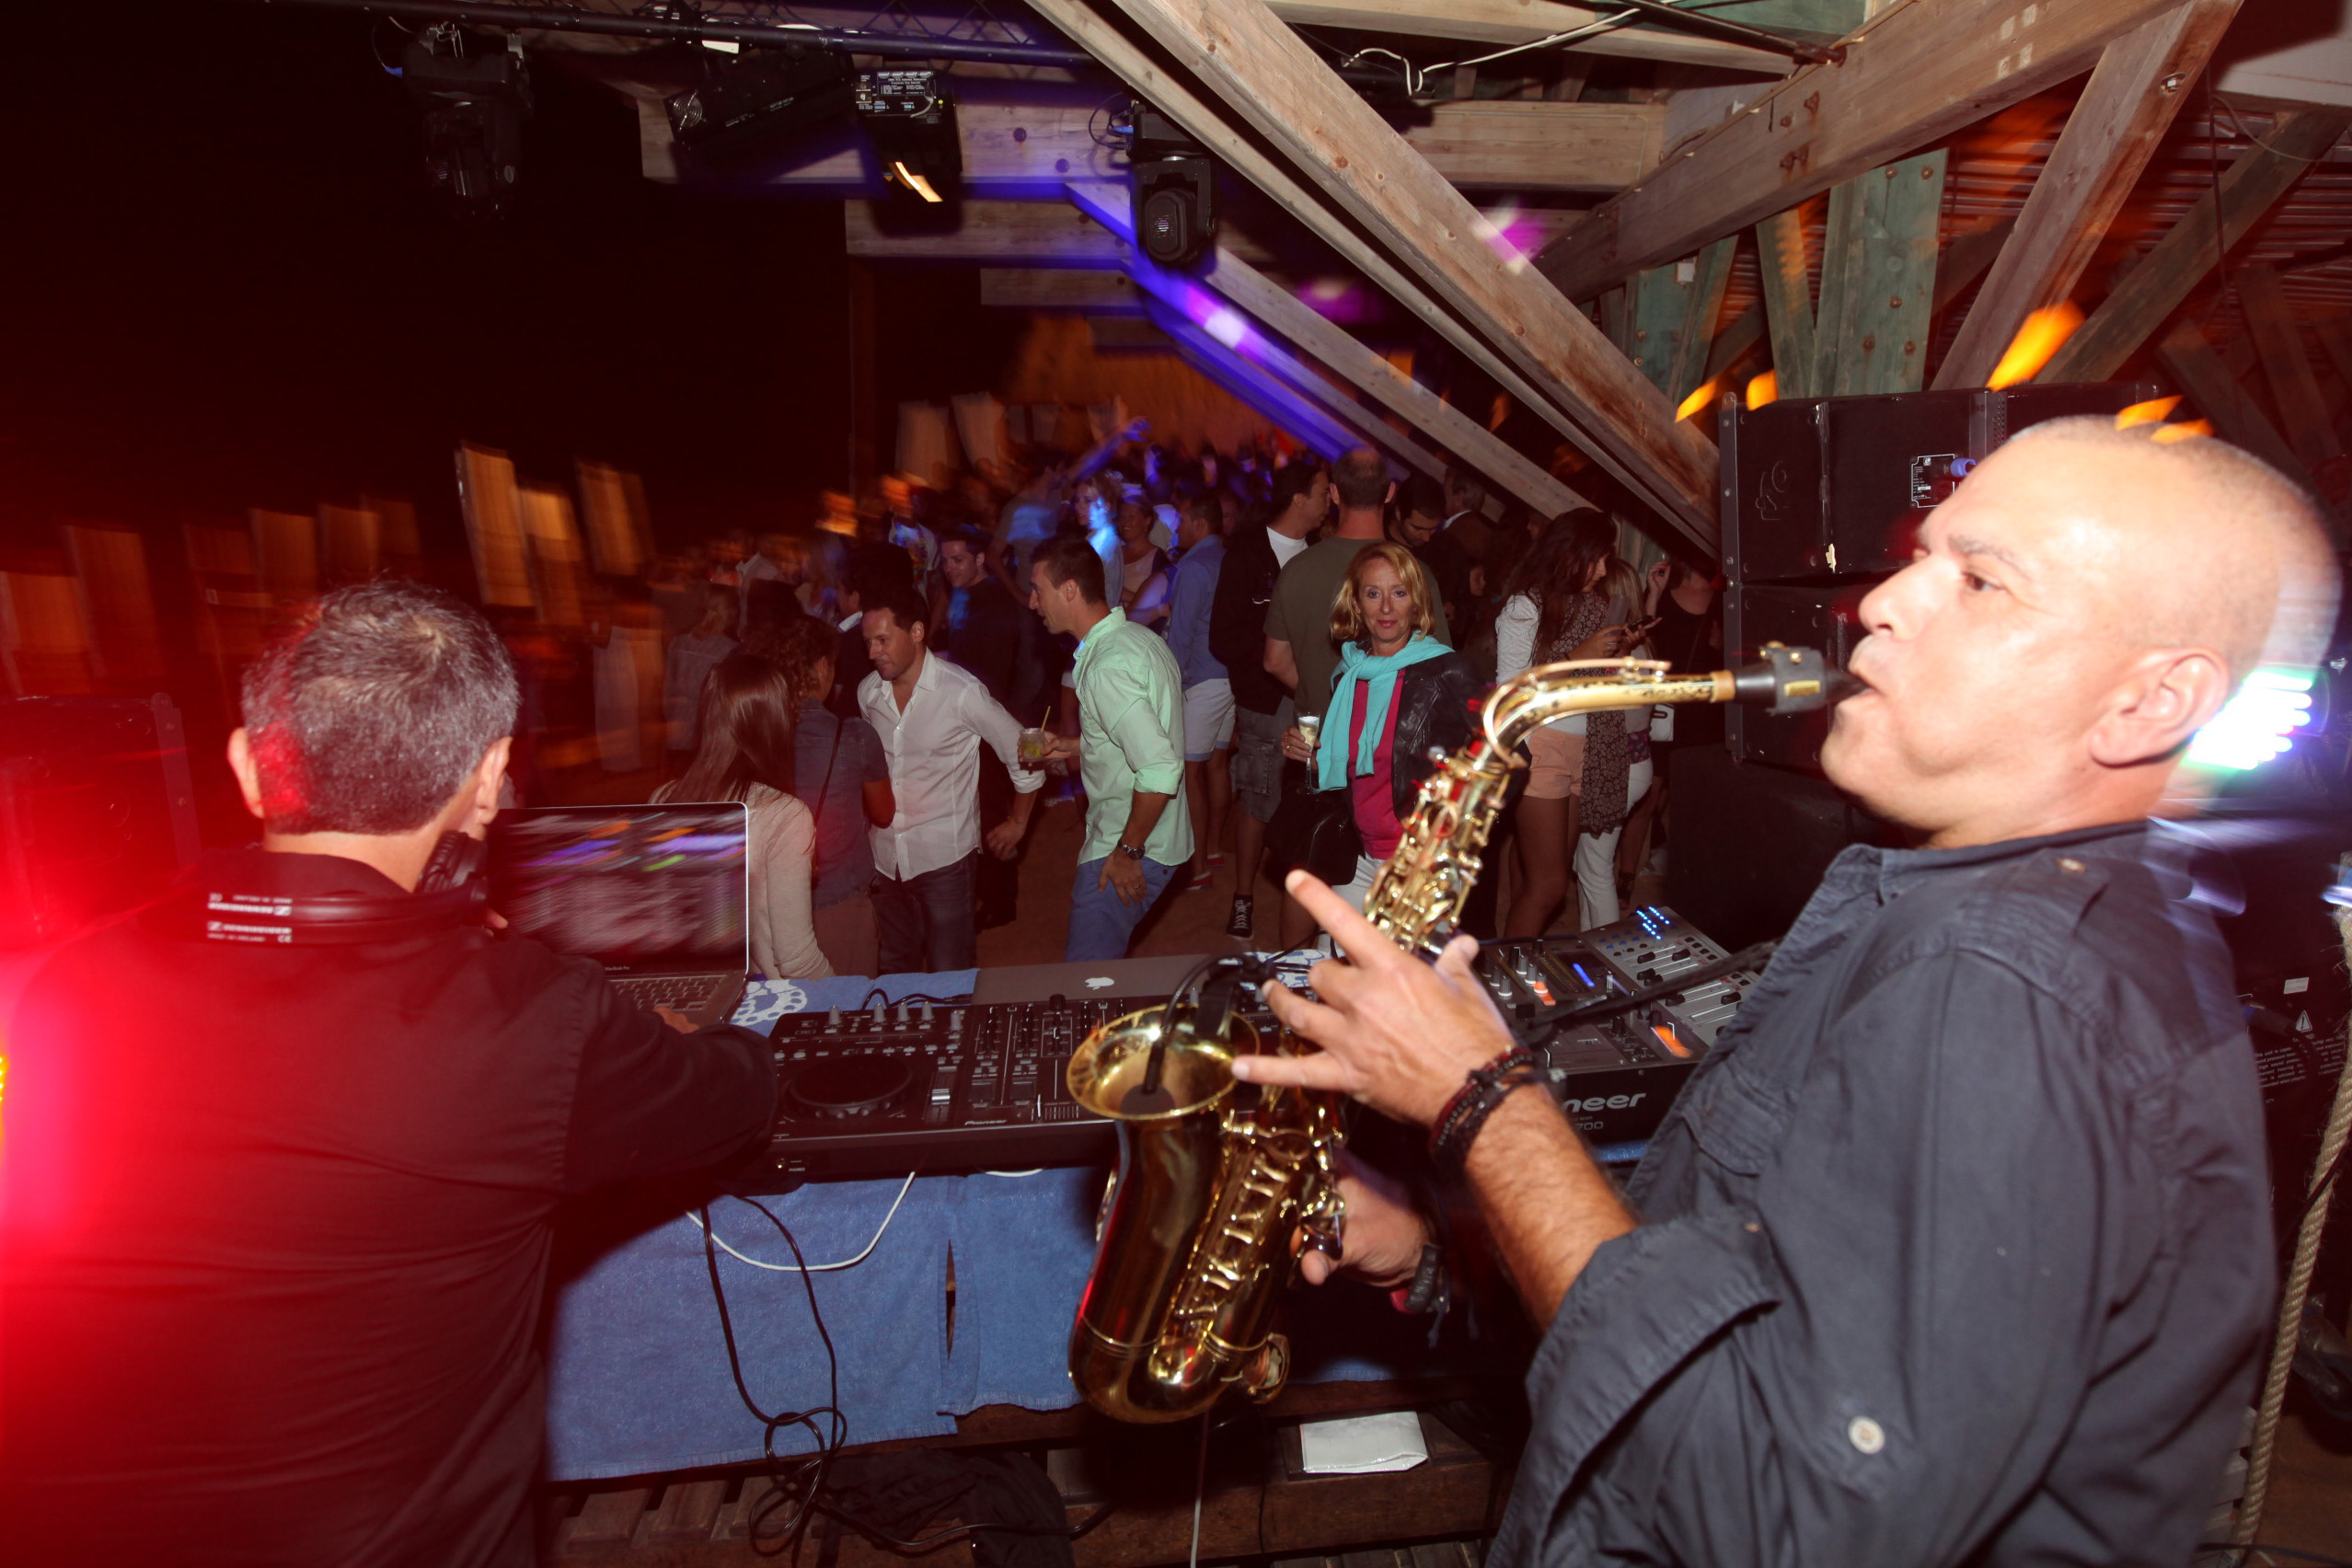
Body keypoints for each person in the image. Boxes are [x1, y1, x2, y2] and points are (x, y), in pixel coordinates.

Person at [1237, 421, 2338, 1567]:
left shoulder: (2011, 992)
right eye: (1920, 557)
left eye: (1979, 580)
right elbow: (1719, 1275)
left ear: (2152, 702)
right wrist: (1440, 1247)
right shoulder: (1966, 912)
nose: (1882, 602)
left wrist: (1483, 1101)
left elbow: (1783, 1518)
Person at [0, 581, 775, 1568]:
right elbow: (737, 1095)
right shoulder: (526, 1021)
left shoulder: (66, 989)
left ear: (246, 767)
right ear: (490, 781)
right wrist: (660, 1034)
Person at [1277, 544, 1481, 923]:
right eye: (1373, 594)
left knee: (1401, 963)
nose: (1386, 608)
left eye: (1399, 593)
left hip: (1417, 860)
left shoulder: (1447, 672)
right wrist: (1311, 756)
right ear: (1356, 605)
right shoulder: (1349, 673)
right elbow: (1352, 766)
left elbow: (1509, 755)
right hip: (1356, 854)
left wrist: (1455, 827)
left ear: (1416, 603)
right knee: (1336, 953)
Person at [859, 582, 1041, 973]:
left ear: (917, 632)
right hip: (884, 859)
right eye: (868, 642)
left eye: (883, 640)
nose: (873, 652)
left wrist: (1019, 820)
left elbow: (1026, 746)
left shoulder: (961, 692)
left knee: (950, 972)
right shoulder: (868, 694)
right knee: (894, 968)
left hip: (944, 860)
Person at [1028, 530, 1193, 962]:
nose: (1032, 602)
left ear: (1069, 590)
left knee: (1087, 983)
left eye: (1038, 590)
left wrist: (1127, 852)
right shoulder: (1139, 639)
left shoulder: (1107, 666)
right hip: (1163, 836)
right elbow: (1141, 735)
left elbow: (1159, 767)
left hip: (1133, 842)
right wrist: (1075, 745)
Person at [1493, 511, 1633, 936]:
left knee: (1540, 876)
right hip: (1541, 746)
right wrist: (1578, 657)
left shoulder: (1592, 606)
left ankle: (1517, 957)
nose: (1604, 570)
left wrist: (1617, 655)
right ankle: (1509, 969)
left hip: (1584, 746)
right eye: (1596, 559)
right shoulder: (1525, 606)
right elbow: (1510, 691)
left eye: (1607, 559)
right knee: (1550, 885)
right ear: (1569, 555)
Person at [655, 654, 831, 980]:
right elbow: (796, 960)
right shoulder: (784, 815)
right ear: (774, 722)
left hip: (683, 988)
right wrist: (846, 998)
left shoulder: (663, 799)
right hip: (756, 995)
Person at [1209, 461, 1327, 940]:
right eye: (1323, 491)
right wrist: (1276, 645)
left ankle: (1300, 899)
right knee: (1259, 799)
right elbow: (1222, 638)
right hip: (1265, 699)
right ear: (1299, 499)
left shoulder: (1320, 552)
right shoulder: (1246, 555)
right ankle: (1243, 897)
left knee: (1309, 796)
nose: (1330, 499)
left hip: (1313, 695)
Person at [744, 613, 894, 978]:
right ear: (822, 666)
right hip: (838, 899)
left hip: (764, 907)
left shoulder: (751, 735)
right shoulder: (853, 736)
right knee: (848, 1004)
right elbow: (884, 813)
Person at [1165, 492, 1233, 893]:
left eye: (1182, 520)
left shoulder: (1193, 567)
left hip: (1202, 680)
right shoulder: (1226, 557)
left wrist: (1169, 685)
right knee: (1217, 765)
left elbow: (1181, 632)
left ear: (1199, 523)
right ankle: (1213, 848)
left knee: (1189, 772)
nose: (1176, 528)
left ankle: (1197, 868)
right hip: (1229, 677)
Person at [1388, 472, 1480, 638]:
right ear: (1399, 514)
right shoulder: (1375, 541)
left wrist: (1454, 618)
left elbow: (1468, 612)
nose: (1426, 537)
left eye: (1433, 529)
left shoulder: (1450, 551)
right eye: (1418, 528)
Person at [662, 585, 737, 764]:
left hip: (678, 727)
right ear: (731, 612)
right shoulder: (730, 649)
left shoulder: (679, 642)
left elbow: (667, 688)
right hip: (710, 733)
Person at [1114, 490, 1173, 630]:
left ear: (1147, 521)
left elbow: (1161, 602)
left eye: (1131, 516)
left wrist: (1120, 592)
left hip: (1137, 632)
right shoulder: (1114, 554)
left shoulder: (1158, 559)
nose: (1125, 522)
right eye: (1122, 517)